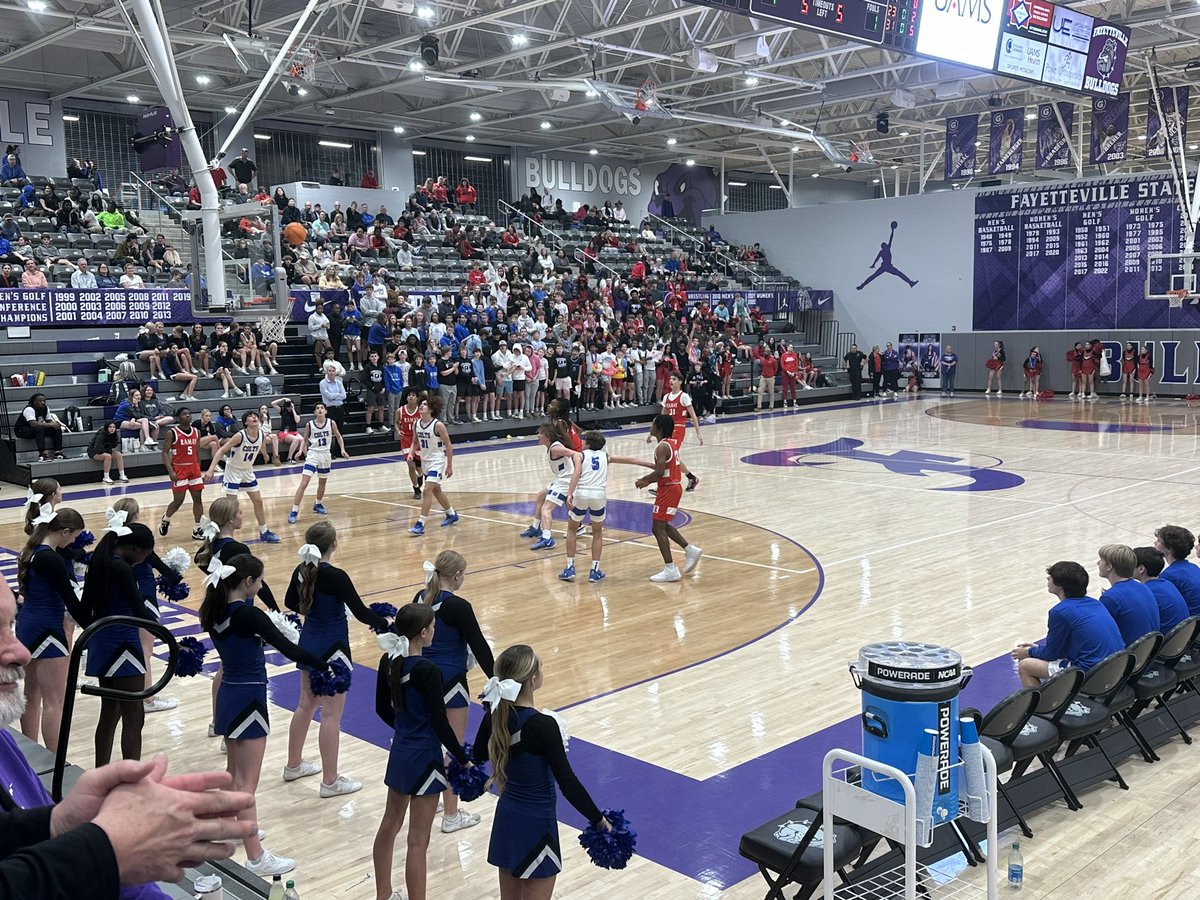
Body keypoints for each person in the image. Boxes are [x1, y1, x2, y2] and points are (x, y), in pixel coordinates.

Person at [0, 576, 257, 896]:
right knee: (127, 716)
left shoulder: (3, 740)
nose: (19, 653)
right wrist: (105, 848)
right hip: (122, 645)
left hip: (108, 644)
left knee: (111, 714)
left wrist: (60, 821)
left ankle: (108, 773)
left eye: (10, 625)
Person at [202, 552, 328, 877]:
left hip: (228, 694)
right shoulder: (248, 615)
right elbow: (288, 649)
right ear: (247, 582)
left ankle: (235, 828)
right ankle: (257, 857)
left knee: (233, 774)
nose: (260, 586)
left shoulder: (212, 610)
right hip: (249, 697)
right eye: (259, 581)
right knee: (247, 783)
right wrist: (325, 664)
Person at [472, 644, 612, 899]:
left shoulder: (497, 714)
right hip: (537, 824)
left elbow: (478, 754)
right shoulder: (543, 725)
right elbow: (567, 781)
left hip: (507, 819)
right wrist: (598, 820)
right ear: (533, 679)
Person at [372, 603, 471, 900]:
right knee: (417, 840)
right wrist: (463, 758)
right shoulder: (428, 670)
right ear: (424, 633)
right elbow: (441, 724)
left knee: (389, 825)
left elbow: (381, 708)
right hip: (426, 757)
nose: (435, 632)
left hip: (401, 752)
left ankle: (383, 895)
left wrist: (405, 728)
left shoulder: (387, 661)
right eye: (433, 628)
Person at [283, 524, 386, 798]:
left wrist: (313, 610)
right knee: (330, 715)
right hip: (334, 651)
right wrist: (388, 623)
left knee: (304, 706)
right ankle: (330, 781)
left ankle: (293, 764)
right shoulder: (336, 576)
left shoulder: (301, 570)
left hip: (308, 644)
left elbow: (289, 601)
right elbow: (362, 613)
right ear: (334, 545)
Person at [411, 550, 494, 832]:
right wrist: (497, 682)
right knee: (454, 748)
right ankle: (451, 814)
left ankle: (428, 795)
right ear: (457, 576)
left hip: (421, 679)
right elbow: (480, 647)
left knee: (430, 741)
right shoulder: (458, 606)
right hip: (452, 683)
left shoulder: (419, 598)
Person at [80, 523, 159, 766]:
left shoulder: (100, 560)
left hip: (103, 641)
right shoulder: (121, 568)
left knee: (110, 711)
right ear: (135, 548)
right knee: (134, 716)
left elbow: (84, 609)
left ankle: (100, 771)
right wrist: (165, 633)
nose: (144, 560)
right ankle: (132, 780)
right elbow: (138, 608)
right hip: (123, 642)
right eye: (145, 555)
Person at [17, 504, 86, 751]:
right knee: (55, 701)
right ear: (65, 532)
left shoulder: (31, 550)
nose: (74, 542)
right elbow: (71, 602)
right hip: (48, 629)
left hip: (26, 626)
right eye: (74, 536)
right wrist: (93, 626)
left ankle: (31, 755)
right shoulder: (52, 558)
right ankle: (57, 764)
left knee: (30, 695)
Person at [1011, 561, 1125, 687]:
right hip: (1117, 667)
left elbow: (1051, 654)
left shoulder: (1060, 611)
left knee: (1025, 666)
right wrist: (1036, 649)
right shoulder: (1095, 602)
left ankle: (1043, 706)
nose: (1048, 578)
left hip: (1092, 674)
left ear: (1060, 585)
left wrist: (1029, 652)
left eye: (1051, 577)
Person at [559, 431, 651, 583]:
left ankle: (569, 568)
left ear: (587, 443)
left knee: (572, 529)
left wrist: (569, 493)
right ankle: (594, 570)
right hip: (598, 496)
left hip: (582, 493)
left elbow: (576, 473)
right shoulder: (606, 457)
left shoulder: (580, 455)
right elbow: (631, 459)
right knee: (597, 533)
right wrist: (652, 465)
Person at [635, 414, 702, 582]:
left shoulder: (662, 447)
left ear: (659, 428)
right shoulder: (671, 443)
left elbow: (659, 472)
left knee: (657, 528)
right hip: (672, 487)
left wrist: (645, 480)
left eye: (653, 424)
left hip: (669, 488)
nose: (651, 427)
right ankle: (689, 549)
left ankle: (670, 569)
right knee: (662, 524)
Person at [204, 411, 282, 544]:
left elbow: (261, 444)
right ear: (245, 422)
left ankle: (264, 531)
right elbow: (221, 451)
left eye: (256, 416)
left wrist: (264, 454)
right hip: (233, 471)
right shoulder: (240, 436)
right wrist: (211, 469)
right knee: (231, 507)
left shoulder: (261, 434)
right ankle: (225, 536)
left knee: (258, 501)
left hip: (247, 471)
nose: (254, 418)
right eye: (251, 416)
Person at [288, 403, 347, 524]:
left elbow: (339, 436)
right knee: (304, 483)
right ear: (314, 412)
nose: (320, 410)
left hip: (325, 455)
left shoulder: (331, 423)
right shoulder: (310, 424)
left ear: (325, 411)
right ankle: (294, 511)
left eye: (322, 408)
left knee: (322, 482)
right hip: (313, 454)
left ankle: (318, 504)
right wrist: (300, 451)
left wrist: (342, 450)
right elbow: (304, 439)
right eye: (317, 408)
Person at [408, 397, 459, 536]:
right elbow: (414, 442)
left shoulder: (438, 425)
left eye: (425, 404)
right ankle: (451, 514)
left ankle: (420, 524)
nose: (421, 406)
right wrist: (411, 453)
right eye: (421, 404)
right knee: (436, 490)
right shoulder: (417, 424)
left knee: (427, 491)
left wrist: (449, 465)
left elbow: (448, 445)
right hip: (425, 461)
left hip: (437, 460)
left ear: (431, 409)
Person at [528, 423, 582, 552]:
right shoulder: (552, 447)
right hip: (561, 479)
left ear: (547, 436)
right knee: (541, 495)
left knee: (546, 509)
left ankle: (547, 539)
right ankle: (536, 528)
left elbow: (576, 454)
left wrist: (578, 469)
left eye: (540, 433)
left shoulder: (555, 448)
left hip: (565, 481)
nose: (538, 436)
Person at [157, 408, 207, 541]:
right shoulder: (172, 432)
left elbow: (197, 452)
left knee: (198, 499)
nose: (188, 415)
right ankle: (166, 519)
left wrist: (198, 468)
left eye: (189, 413)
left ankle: (198, 528)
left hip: (193, 469)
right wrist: (170, 471)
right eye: (184, 414)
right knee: (178, 500)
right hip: (179, 469)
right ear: (178, 418)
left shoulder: (196, 432)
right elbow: (164, 453)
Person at [1096, 544, 1160, 646]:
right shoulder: (1143, 587)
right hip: (1148, 650)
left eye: (1101, 560)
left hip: (1129, 655)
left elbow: (1103, 636)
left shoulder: (1110, 598)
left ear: (1109, 566)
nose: (1098, 563)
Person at [653, 371, 703, 492]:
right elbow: (661, 417)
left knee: (668, 457)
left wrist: (698, 433)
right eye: (670, 379)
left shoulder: (684, 396)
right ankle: (691, 478)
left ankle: (664, 484)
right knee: (671, 458)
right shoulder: (666, 397)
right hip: (667, 430)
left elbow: (693, 415)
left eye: (674, 379)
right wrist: (652, 433)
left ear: (680, 382)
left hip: (679, 429)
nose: (671, 381)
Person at [1132, 547, 1191, 634]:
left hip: (1167, 642)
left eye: (1131, 564)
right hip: (1182, 637)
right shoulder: (1167, 583)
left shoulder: (1147, 592)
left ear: (1141, 569)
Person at [1155, 525, 1200, 616]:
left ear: (1169, 548)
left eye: (1159, 541)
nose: (1155, 542)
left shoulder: (1168, 576)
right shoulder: (1193, 567)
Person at [394, 388, 425, 500]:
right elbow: (396, 423)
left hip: (418, 440)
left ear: (417, 398)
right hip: (406, 440)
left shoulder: (421, 411)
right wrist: (398, 431)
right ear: (406, 398)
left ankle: (420, 475)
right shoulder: (400, 411)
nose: (411, 397)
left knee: (420, 467)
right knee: (410, 464)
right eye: (409, 395)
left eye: (413, 395)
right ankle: (416, 488)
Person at [15, 393, 65, 461]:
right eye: (40, 401)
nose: (43, 402)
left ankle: (58, 452)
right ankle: (42, 454)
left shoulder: (46, 408)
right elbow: (33, 424)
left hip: (36, 429)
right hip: (22, 430)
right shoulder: (29, 409)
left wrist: (55, 424)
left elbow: (48, 420)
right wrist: (50, 425)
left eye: (44, 401)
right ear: (34, 402)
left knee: (56, 428)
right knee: (38, 428)